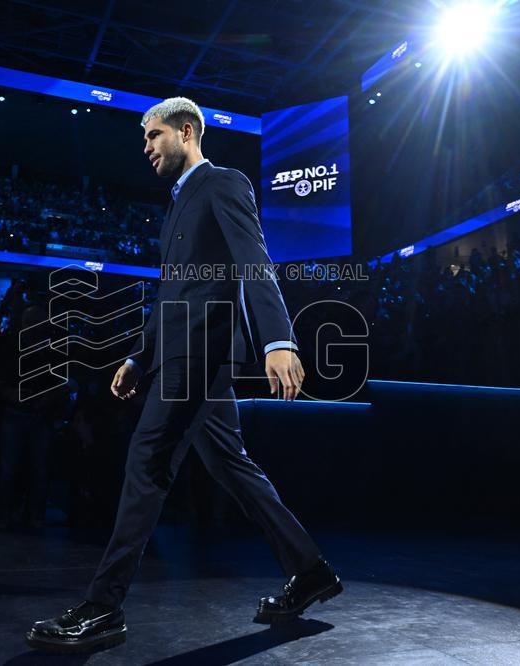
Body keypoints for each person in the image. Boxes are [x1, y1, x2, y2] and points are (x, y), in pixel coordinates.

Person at [27, 97, 341, 653]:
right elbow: (173, 297)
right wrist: (137, 357)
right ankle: (310, 570)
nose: (146, 148)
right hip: (180, 355)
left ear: (187, 131)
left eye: (153, 136)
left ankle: (103, 609)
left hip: (203, 356)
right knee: (232, 468)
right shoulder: (175, 207)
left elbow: (254, 260)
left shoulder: (222, 182)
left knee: (147, 463)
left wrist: (278, 338)